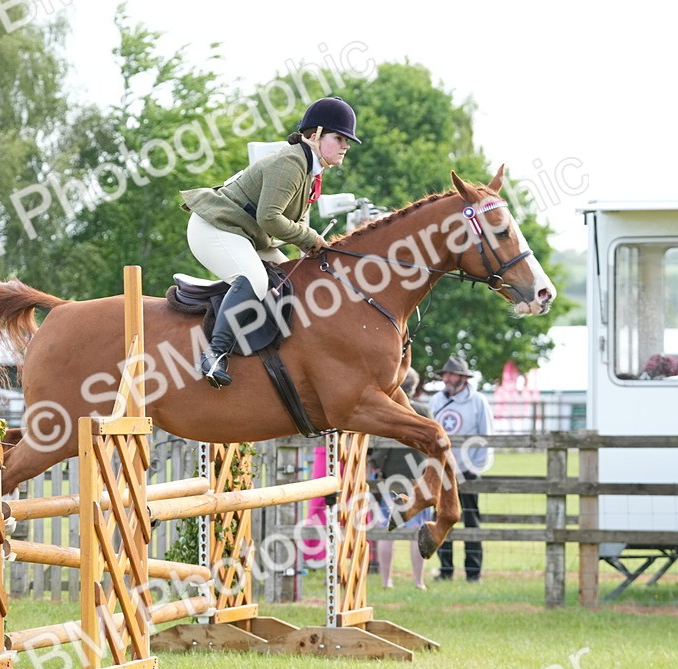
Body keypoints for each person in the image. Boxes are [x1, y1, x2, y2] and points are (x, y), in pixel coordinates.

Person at [180, 96, 360, 388]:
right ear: (315, 135)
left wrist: (318, 253)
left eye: (346, 140)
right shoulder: (290, 162)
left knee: (296, 283)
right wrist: (312, 239)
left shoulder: (311, 171)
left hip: (249, 233)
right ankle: (214, 355)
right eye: (339, 137)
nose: (346, 145)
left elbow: (299, 224)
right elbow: (270, 218)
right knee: (255, 279)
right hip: (215, 227)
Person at [429, 354, 494, 582]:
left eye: (451, 374)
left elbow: (486, 437)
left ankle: (473, 572)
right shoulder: (436, 400)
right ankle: (445, 570)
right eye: (445, 374)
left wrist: (474, 468)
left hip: (467, 471)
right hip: (441, 471)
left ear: (462, 378)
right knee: (441, 520)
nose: (446, 378)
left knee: (471, 521)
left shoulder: (478, 402)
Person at [369, 367, 430, 590]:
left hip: (391, 479)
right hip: (419, 479)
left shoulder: (387, 409)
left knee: (388, 530)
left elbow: (379, 448)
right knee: (419, 530)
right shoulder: (423, 410)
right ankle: (418, 581)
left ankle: (387, 581)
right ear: (414, 388)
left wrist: (376, 462)